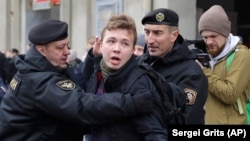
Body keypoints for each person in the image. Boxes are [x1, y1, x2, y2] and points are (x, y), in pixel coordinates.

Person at [0, 19, 155, 141]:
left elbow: (77, 84)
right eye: (60, 48)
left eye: (67, 45)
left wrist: (92, 58)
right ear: (42, 50)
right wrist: (132, 102)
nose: (67, 52)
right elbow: (82, 105)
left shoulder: (43, 68)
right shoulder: (38, 80)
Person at [83, 14, 167, 141]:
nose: (117, 49)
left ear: (133, 50)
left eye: (125, 44)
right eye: (111, 41)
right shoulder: (97, 74)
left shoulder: (138, 82)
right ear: (101, 45)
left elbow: (153, 133)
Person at [139, 8, 208, 124]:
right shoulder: (140, 63)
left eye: (157, 33)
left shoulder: (192, 74)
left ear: (174, 36)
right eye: (147, 32)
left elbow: (186, 120)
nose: (150, 40)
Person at [197, 5, 250, 124]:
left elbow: (230, 94)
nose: (209, 42)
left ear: (225, 33)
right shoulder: (207, 56)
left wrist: (203, 72)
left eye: (213, 36)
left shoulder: (241, 55)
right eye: (205, 37)